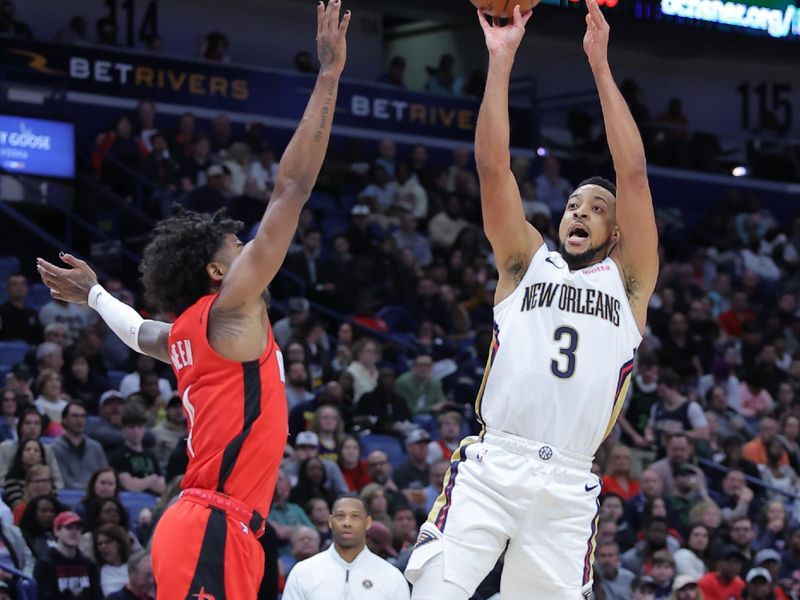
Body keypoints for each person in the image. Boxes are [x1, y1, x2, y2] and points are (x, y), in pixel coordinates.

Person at [37, 0, 348, 573]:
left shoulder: (186, 333)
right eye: (235, 247)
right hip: (212, 521)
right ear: (214, 272)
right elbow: (293, 187)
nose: (247, 248)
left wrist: (94, 295)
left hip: (224, 526)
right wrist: (328, 74)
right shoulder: (231, 309)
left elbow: (138, 333)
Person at [405, 2, 659, 598]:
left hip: (569, 487)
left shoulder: (628, 285)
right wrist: (501, 60)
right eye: (574, 204)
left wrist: (598, 64)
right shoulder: (526, 262)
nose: (580, 212)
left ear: (616, 234)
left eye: (597, 209)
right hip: (495, 464)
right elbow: (493, 168)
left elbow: (637, 173)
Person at [282, 495, 410, 599]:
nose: (347, 523)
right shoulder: (303, 572)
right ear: (330, 521)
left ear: (368, 523)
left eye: (355, 516)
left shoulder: (391, 576)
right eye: (340, 516)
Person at [33, 511, 102, 599]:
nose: (74, 532)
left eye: (78, 529)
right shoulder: (45, 564)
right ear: (57, 531)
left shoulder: (89, 565)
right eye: (69, 528)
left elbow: (97, 596)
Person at [108, 406, 165, 495]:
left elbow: (162, 486)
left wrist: (140, 482)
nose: (136, 431)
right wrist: (152, 479)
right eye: (131, 427)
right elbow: (130, 486)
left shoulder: (151, 455)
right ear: (123, 429)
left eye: (139, 427)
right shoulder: (118, 456)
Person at [51, 403, 108, 490]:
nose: (79, 420)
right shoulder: (54, 448)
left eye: (82, 416)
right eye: (75, 416)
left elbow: (105, 476)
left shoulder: (96, 447)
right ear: (64, 420)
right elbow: (62, 480)